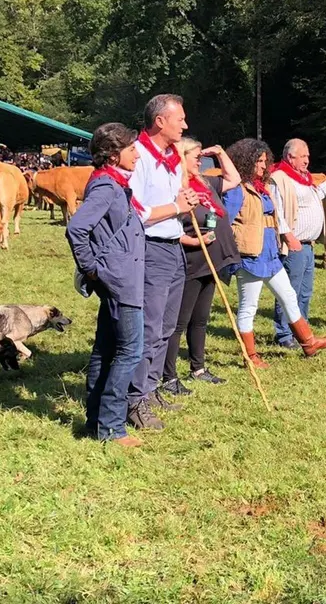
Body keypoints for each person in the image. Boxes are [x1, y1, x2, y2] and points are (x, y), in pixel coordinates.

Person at [65, 123, 146, 448]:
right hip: (120, 281)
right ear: (114, 155)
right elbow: (76, 229)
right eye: (131, 149)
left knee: (106, 350)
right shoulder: (107, 188)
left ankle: (95, 420)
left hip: (119, 277)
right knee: (129, 352)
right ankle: (111, 428)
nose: (137, 155)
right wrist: (92, 269)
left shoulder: (112, 184)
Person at [222, 138, 326, 369]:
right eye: (259, 162)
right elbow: (225, 220)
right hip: (250, 256)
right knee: (248, 307)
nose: (264, 166)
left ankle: (308, 342)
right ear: (246, 163)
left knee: (289, 296)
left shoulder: (261, 188)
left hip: (270, 255)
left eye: (265, 161)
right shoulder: (237, 190)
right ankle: (251, 356)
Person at [127, 94, 199, 431]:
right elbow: (137, 213)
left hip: (173, 247)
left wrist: (185, 201)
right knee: (150, 327)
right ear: (160, 121)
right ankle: (135, 400)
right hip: (152, 249)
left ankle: (151, 388)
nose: (184, 125)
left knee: (167, 327)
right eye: (180, 119)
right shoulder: (138, 156)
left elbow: (173, 203)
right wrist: (176, 208)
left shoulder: (172, 158)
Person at [162, 138, 241, 393]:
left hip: (212, 262)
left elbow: (234, 179)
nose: (200, 160)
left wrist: (219, 152)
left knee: (201, 319)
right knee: (179, 322)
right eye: (195, 157)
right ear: (181, 157)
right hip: (191, 262)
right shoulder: (175, 189)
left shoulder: (206, 183)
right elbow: (169, 228)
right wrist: (193, 241)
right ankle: (169, 377)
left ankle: (198, 367)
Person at [270, 139, 326, 348]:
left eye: (308, 156)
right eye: (302, 156)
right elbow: (278, 211)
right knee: (289, 290)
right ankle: (284, 334)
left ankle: (302, 331)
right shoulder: (280, 178)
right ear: (290, 157)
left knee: (304, 291)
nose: (307, 160)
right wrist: (288, 236)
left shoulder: (303, 179)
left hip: (308, 245)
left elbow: (316, 195)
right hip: (295, 244)